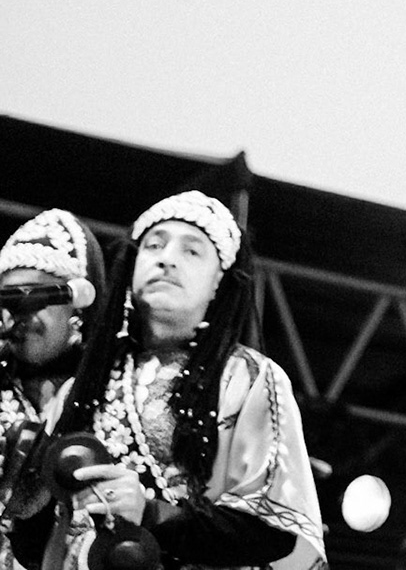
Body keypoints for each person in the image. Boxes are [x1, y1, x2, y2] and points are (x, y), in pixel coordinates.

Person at [40, 191, 325, 570]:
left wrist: (151, 512)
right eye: (154, 245)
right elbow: (46, 541)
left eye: (192, 252)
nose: (167, 258)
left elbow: (269, 531)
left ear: (217, 287)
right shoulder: (80, 388)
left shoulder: (250, 377)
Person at [0, 211, 107, 570]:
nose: (20, 315)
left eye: (36, 298)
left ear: (78, 307)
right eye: (8, 301)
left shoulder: (114, 395)